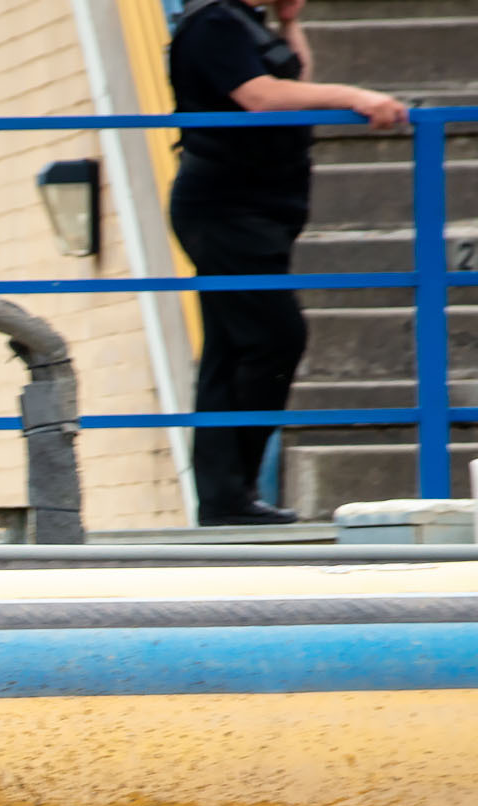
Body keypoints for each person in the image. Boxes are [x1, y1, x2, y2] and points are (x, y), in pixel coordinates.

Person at [169, 0, 407, 525]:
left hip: (262, 209)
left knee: (232, 348)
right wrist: (356, 96)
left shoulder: (249, 24)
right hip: (225, 209)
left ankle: (227, 498)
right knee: (274, 338)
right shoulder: (212, 23)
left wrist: (291, 22)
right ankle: (229, 495)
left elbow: (293, 77)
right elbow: (261, 97)